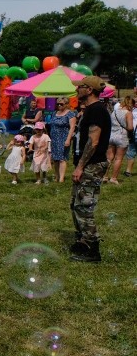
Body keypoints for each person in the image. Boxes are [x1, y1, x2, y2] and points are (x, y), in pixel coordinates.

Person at [70, 76, 111, 262]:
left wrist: (80, 166)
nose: (77, 89)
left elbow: (93, 142)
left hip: (91, 165)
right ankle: (82, 241)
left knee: (84, 206)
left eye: (81, 87)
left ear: (90, 90)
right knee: (76, 204)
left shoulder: (97, 111)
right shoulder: (90, 110)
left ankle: (92, 249)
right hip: (87, 165)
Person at [104, 97, 133, 184]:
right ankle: (113, 178)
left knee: (109, 158)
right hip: (122, 136)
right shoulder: (128, 113)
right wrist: (128, 128)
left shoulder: (114, 112)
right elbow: (130, 127)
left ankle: (104, 176)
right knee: (118, 158)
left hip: (112, 136)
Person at [49, 99, 77, 182]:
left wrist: (68, 139)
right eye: (58, 104)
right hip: (54, 138)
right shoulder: (54, 113)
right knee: (55, 158)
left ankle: (61, 178)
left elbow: (72, 127)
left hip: (63, 138)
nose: (59, 105)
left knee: (62, 158)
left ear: (66, 104)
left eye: (61, 104)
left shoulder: (70, 114)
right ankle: (57, 176)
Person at [123, 96, 137, 177]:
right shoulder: (131, 110)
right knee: (130, 152)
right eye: (135, 102)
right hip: (132, 134)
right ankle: (128, 171)